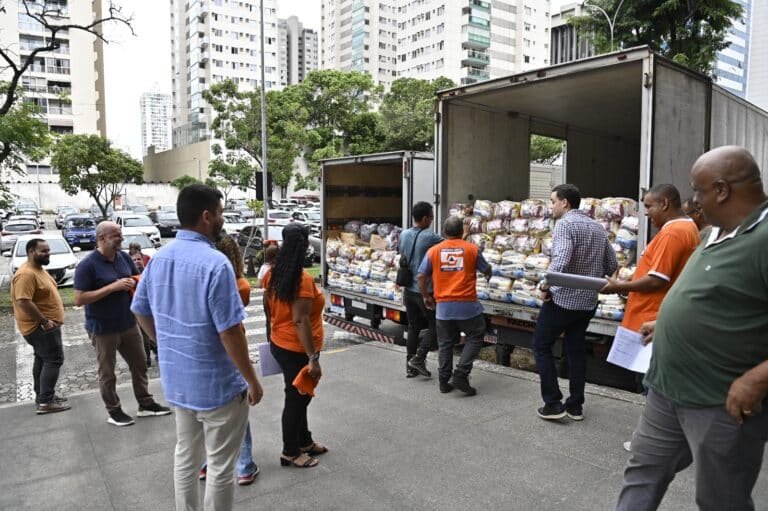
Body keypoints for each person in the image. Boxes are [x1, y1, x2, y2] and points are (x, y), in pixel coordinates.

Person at [616, 146, 768, 510]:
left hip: (720, 399)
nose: (691, 203)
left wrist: (758, 379)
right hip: (667, 388)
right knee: (641, 472)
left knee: (721, 498)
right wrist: (665, 322)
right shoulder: (714, 232)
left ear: (722, 190)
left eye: (697, 191)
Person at [132, 184, 264, 511]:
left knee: (186, 457)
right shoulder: (215, 263)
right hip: (216, 387)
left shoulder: (159, 258)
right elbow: (231, 332)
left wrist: (164, 346)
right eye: (219, 213)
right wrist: (252, 379)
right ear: (207, 217)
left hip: (179, 383)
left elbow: (139, 308)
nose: (222, 219)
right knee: (220, 466)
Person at [601, 184, 700, 451]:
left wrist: (619, 287)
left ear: (665, 204)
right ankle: (669, 437)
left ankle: (650, 442)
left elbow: (658, 280)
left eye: (649, 206)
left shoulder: (674, 232)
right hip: (657, 316)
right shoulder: (685, 228)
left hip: (653, 319)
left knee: (653, 385)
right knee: (658, 384)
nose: (646, 213)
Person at [74, 222, 171, 427]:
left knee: (140, 364)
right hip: (102, 328)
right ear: (102, 238)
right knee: (108, 373)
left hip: (128, 323)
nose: (121, 238)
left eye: (120, 234)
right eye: (116, 235)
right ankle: (114, 411)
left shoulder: (124, 257)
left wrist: (136, 281)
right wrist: (112, 287)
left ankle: (145, 403)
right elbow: (79, 299)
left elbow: (136, 278)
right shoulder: (87, 265)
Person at [534, 184, 617, 421]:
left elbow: (561, 259)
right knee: (576, 350)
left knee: (541, 345)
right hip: (587, 302)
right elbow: (611, 265)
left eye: (552, 201)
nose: (551, 206)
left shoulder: (565, 225)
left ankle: (552, 403)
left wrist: (545, 285)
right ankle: (575, 405)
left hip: (562, 301)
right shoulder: (597, 227)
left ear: (565, 203)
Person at [198, 235, 260, 486]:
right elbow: (231, 329)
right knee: (237, 411)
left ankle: (207, 463)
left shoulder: (204, 277)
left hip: (207, 349)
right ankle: (244, 464)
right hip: (232, 350)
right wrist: (252, 377)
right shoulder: (241, 284)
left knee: (210, 413)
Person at [264, 223, 327, 468]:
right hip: (297, 349)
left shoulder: (274, 271)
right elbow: (300, 320)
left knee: (300, 394)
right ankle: (290, 451)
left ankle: (304, 441)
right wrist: (313, 358)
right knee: (297, 398)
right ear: (303, 245)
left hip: (281, 342)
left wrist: (272, 334)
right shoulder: (301, 279)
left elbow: (268, 307)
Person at [416, 215, 492, 396]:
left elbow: (421, 275)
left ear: (443, 232)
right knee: (475, 335)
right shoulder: (472, 249)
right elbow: (486, 269)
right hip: (467, 307)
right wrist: (489, 274)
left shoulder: (434, 251)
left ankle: (444, 382)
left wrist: (426, 296)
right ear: (462, 232)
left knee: (445, 344)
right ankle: (461, 373)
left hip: (443, 309)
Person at [11, 238, 70, 414]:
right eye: (43, 251)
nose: (47, 253)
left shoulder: (37, 270)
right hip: (41, 328)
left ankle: (44, 396)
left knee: (43, 359)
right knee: (54, 359)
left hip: (45, 326)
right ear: (31, 252)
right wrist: (44, 321)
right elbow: (23, 301)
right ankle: (45, 402)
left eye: (48, 250)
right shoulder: (26, 274)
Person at [400, 201, 442, 379]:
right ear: (425, 219)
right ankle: (420, 357)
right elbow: (452, 245)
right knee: (435, 326)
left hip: (408, 289)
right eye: (431, 218)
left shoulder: (404, 234)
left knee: (413, 327)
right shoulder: (429, 237)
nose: (432, 221)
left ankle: (410, 367)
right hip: (425, 290)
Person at [129, 252, 158, 368]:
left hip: (151, 308)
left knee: (150, 334)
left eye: (138, 259)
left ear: (143, 259)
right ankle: (147, 361)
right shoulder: (129, 275)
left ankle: (156, 352)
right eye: (134, 260)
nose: (137, 262)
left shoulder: (148, 272)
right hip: (137, 310)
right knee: (143, 337)